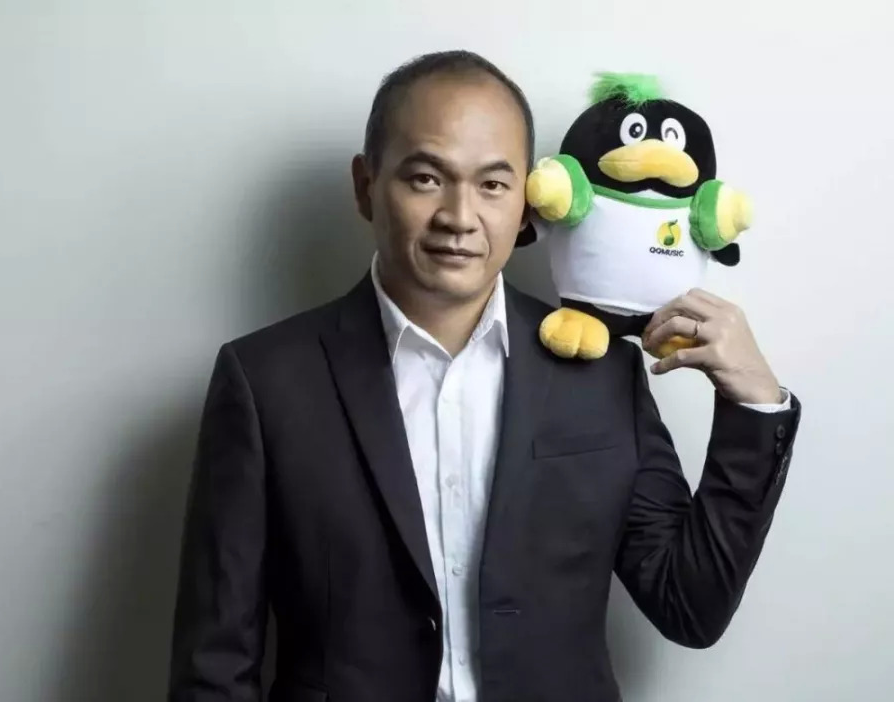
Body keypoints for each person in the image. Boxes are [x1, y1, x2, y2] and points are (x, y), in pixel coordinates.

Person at [166, 50, 801, 702]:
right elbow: (215, 665)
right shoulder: (264, 381)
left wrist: (755, 405)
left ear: (528, 202)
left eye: (493, 184)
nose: (459, 216)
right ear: (365, 185)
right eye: (425, 178)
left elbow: (690, 606)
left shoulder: (602, 373)